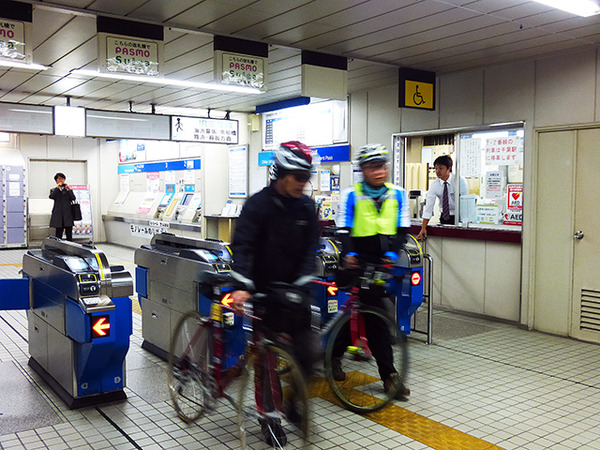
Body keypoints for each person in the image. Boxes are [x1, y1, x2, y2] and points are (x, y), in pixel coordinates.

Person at [230, 141, 319, 446]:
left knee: (309, 352)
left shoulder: (308, 208)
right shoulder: (257, 205)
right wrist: (243, 285)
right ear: (280, 174)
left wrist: (302, 283)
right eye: (298, 177)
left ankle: (293, 402)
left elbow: (311, 251)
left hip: (295, 296)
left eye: (307, 177)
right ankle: (269, 418)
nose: (303, 184)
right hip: (265, 294)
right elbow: (242, 247)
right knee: (266, 360)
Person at [335, 143, 411, 399]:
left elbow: (402, 230)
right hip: (358, 263)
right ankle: (389, 376)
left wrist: (392, 252)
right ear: (363, 170)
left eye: (382, 166)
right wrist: (350, 253)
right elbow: (343, 229)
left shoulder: (397, 194)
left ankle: (333, 354)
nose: (379, 171)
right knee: (376, 317)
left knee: (365, 314)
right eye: (373, 167)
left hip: (384, 264)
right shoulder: (351, 195)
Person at [416, 155, 469, 239]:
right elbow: (429, 207)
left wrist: (465, 222)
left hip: (459, 217)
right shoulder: (435, 185)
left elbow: (466, 204)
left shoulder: (459, 181)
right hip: (444, 218)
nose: (437, 171)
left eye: (441, 168)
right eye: (436, 169)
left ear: (449, 168)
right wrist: (423, 227)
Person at [49, 172, 76, 241]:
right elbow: (52, 196)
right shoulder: (54, 190)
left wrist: (69, 189)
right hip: (58, 215)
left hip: (68, 214)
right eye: (59, 179)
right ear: (56, 180)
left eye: (63, 179)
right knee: (58, 234)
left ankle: (70, 248)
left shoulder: (68, 190)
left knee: (69, 233)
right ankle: (58, 249)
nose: (61, 180)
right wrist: (57, 188)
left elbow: (73, 198)